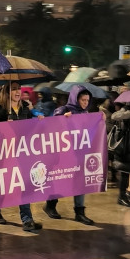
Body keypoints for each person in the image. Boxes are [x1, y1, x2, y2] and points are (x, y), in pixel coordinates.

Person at [0, 82, 43, 232]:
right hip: (5, 153)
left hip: (22, 152)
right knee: (4, 183)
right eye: (13, 89)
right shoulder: (0, 109)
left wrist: (38, 118)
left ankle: (27, 219)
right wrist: (4, 125)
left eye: (18, 88)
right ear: (7, 93)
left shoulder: (26, 107)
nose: (17, 91)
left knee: (24, 184)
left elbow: (32, 125)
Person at [43, 85, 97, 225]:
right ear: (75, 98)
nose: (85, 103)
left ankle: (80, 212)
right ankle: (50, 205)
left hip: (80, 153)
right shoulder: (63, 110)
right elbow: (51, 125)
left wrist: (99, 118)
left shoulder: (86, 113)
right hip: (64, 154)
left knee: (79, 182)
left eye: (87, 100)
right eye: (83, 100)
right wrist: (62, 119)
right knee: (61, 180)